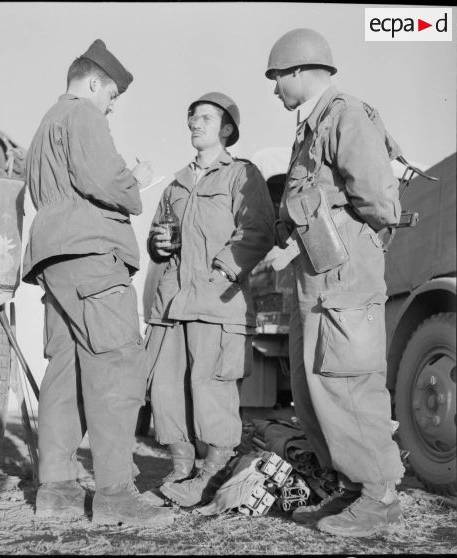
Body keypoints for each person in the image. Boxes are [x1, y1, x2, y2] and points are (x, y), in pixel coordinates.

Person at [22, 39, 174, 527]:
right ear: (93, 84)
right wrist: (136, 180)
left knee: (65, 372)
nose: (112, 106)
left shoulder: (46, 123)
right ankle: (115, 496)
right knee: (115, 367)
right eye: (111, 95)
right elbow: (104, 182)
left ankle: (58, 491)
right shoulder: (84, 115)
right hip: (91, 255)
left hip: (55, 257)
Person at [264, 28, 405, 537]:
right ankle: (351, 484)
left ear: (299, 71)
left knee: (348, 382)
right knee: (312, 388)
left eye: (277, 77)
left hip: (344, 277)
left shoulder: (347, 115)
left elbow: (379, 201)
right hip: (315, 278)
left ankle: (380, 495)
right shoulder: (312, 127)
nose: (274, 88)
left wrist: (346, 237)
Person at [145, 92, 276, 507]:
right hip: (172, 304)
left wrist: (221, 268)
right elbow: (155, 235)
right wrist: (159, 243)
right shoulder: (177, 183)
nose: (195, 124)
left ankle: (213, 472)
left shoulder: (241, 175)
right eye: (192, 118)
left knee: (211, 390)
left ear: (225, 129)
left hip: (218, 303)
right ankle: (182, 468)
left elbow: (257, 230)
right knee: (167, 389)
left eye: (205, 117)